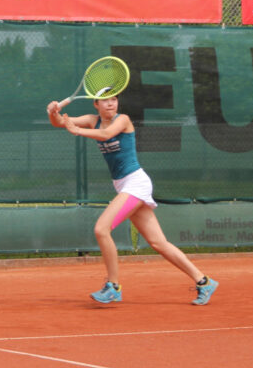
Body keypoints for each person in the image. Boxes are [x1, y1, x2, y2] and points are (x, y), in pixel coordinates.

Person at [46, 95, 218, 305]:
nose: (110, 103)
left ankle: (113, 286)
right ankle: (204, 281)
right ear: (96, 104)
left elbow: (106, 134)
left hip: (136, 183)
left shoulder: (123, 120)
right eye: (105, 100)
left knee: (101, 229)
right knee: (158, 242)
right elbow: (62, 122)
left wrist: (77, 130)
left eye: (114, 99)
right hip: (123, 185)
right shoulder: (92, 119)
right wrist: (53, 113)